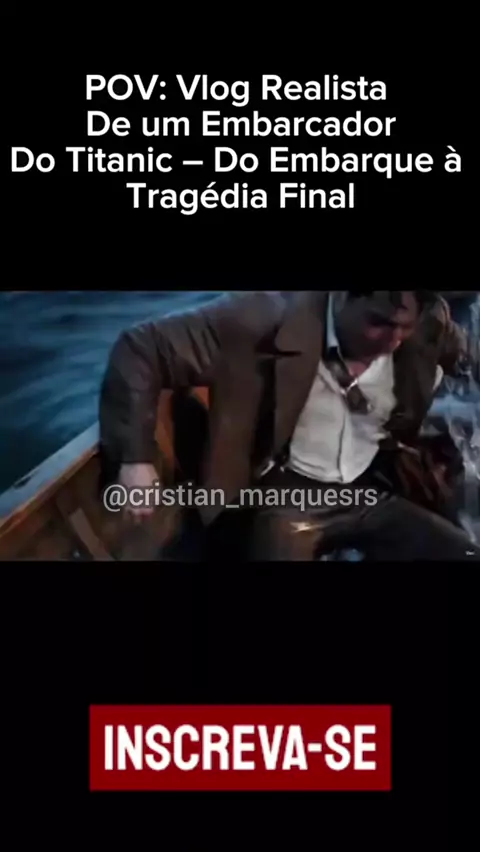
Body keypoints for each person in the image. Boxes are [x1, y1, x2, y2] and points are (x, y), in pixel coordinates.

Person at [99, 290, 480, 561]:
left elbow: (468, 357)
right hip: (280, 495)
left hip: (367, 488)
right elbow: (141, 348)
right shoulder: (261, 317)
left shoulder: (429, 325)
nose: (392, 342)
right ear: (343, 297)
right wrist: (134, 458)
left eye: (403, 328)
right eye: (378, 323)